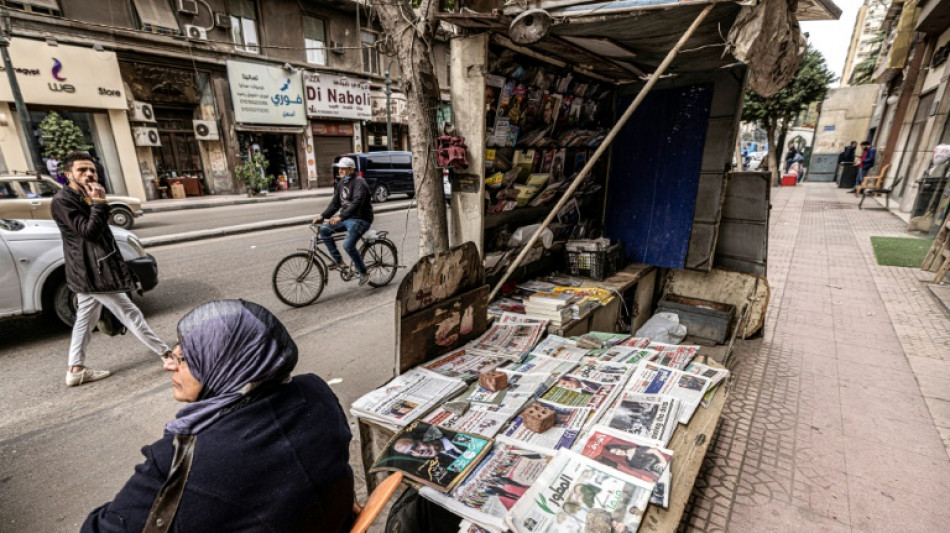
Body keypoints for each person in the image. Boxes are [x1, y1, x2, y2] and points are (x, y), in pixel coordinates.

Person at [82, 300, 355, 532]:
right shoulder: (316, 393)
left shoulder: (178, 460)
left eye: (185, 358)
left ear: (226, 364)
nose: (168, 365)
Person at [51, 151, 170, 387]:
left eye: (92, 170)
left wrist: (96, 202)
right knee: (129, 312)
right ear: (68, 175)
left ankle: (75, 369)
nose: (89, 174)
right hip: (91, 272)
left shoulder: (85, 195)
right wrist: (99, 203)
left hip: (90, 269)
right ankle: (167, 355)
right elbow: (90, 232)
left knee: (86, 318)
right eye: (81, 170)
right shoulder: (63, 201)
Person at [311, 156, 374, 286]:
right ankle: (339, 261)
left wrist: (340, 217)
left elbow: (356, 203)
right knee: (323, 229)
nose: (340, 170)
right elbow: (335, 203)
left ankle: (364, 272)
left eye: (343, 168)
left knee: (347, 245)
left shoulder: (359, 183)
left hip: (360, 219)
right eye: (339, 168)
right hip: (347, 218)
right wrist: (322, 216)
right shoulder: (342, 183)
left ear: (351, 170)